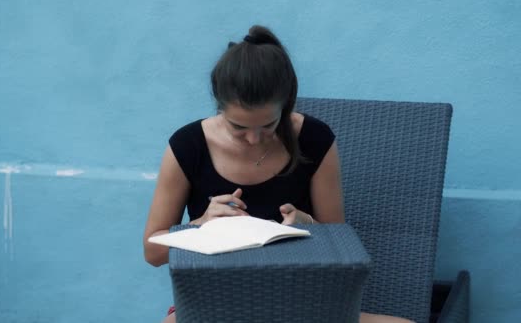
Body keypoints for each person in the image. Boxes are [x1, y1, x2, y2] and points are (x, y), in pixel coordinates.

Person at [143, 25, 414, 323]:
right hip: (215, 303)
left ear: (286, 107)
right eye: (239, 127)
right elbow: (153, 253)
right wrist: (199, 224)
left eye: (268, 125)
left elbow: (340, 248)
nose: (254, 139)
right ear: (219, 107)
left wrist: (309, 226)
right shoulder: (188, 145)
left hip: (304, 304)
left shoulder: (314, 139)